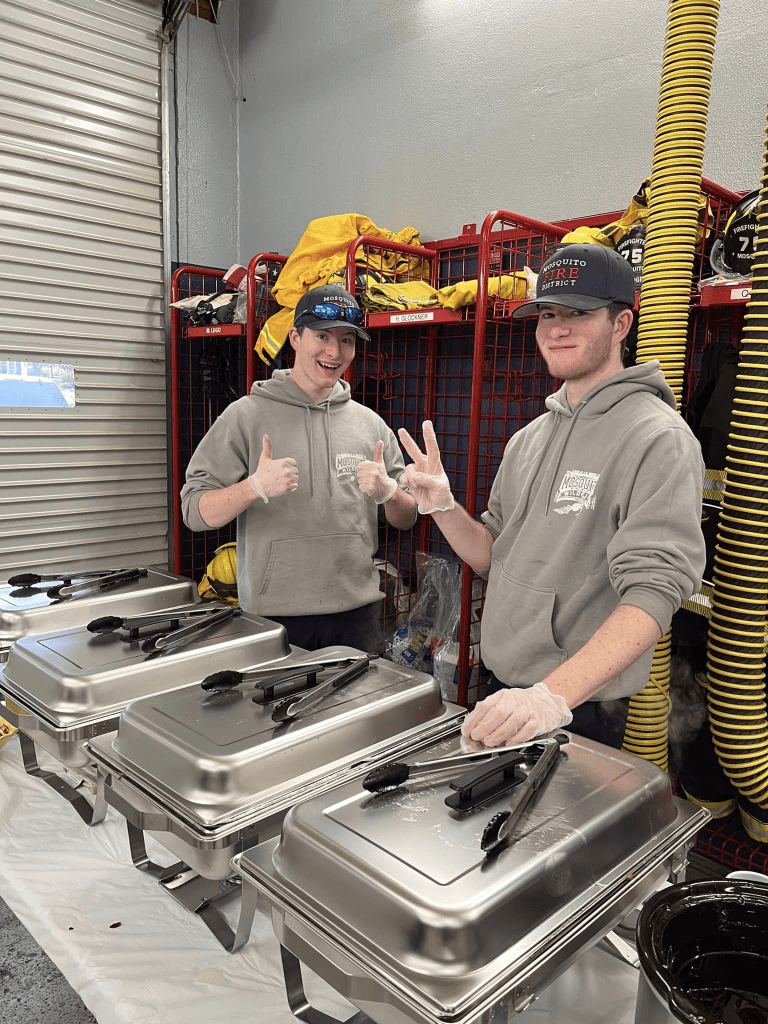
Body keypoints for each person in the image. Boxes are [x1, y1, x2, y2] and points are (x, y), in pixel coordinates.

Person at [399, 243, 706, 749]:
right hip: (503, 685)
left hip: (575, 705)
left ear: (621, 324)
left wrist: (548, 698)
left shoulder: (659, 438)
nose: (557, 329)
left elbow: (654, 592)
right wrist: (443, 508)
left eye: (578, 314)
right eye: (547, 314)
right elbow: (492, 555)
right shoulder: (529, 438)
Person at [181, 284, 418, 651]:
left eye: (346, 340)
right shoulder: (244, 416)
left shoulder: (370, 425)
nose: (334, 352)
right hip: (273, 617)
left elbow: (407, 518)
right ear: (295, 337)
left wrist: (389, 493)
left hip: (359, 614)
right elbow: (194, 512)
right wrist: (253, 487)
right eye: (322, 336)